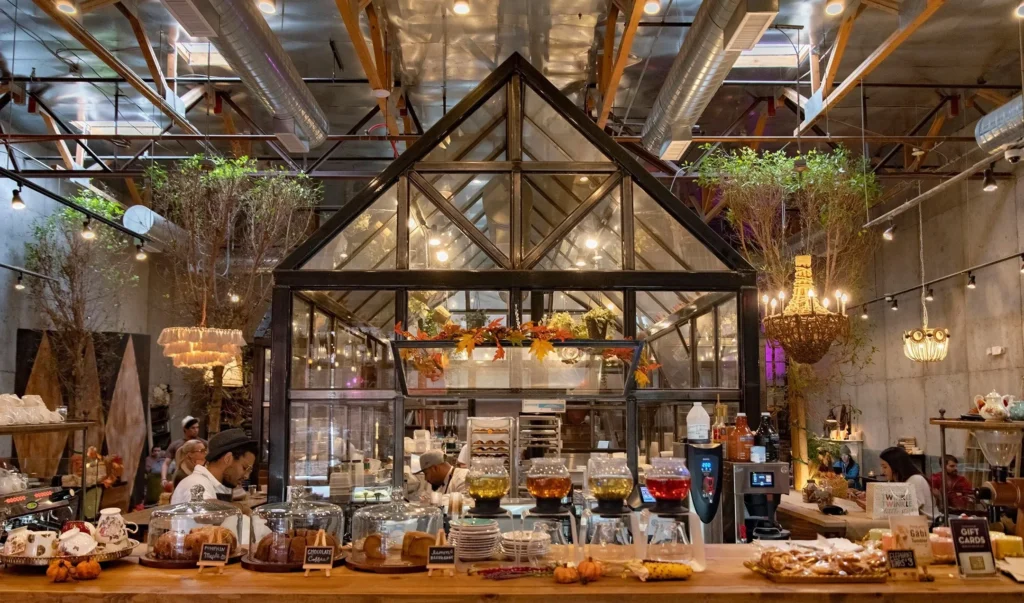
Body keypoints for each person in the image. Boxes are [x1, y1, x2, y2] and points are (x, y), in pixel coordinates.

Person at [171, 428, 256, 505]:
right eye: (245, 468)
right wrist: (238, 508)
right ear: (228, 458)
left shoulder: (219, 486)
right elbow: (202, 511)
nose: (246, 476)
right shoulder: (196, 483)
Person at [879, 446, 934, 518]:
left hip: (928, 524)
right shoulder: (896, 481)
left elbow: (910, 508)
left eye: (885, 467)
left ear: (896, 465)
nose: (882, 471)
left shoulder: (916, 479)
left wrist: (880, 509)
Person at [162, 416, 205, 490]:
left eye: (197, 427)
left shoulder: (203, 443)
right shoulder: (176, 445)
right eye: (193, 428)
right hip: (181, 477)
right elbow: (166, 463)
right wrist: (163, 479)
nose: (196, 430)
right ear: (185, 429)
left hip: (199, 476)